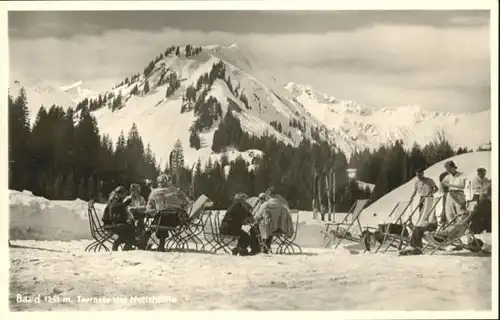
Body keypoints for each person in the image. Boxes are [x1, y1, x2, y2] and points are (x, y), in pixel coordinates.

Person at [145, 174, 192, 252]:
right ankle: (158, 244)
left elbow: (149, 206)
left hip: (162, 220)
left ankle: (150, 243)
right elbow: (184, 203)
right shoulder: (174, 191)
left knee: (158, 220)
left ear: (158, 183)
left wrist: (150, 212)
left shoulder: (154, 192)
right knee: (162, 218)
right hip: (175, 220)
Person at [254, 187, 294, 253]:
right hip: (281, 229)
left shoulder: (266, 205)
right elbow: (288, 217)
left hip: (268, 229)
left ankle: (262, 246)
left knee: (258, 227)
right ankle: (266, 245)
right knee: (271, 225)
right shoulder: (283, 205)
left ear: (269, 195)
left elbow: (257, 216)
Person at [102, 186, 136, 250]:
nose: (125, 195)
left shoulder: (115, 200)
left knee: (129, 226)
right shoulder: (114, 201)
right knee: (128, 227)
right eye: (124, 194)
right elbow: (115, 209)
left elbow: (119, 211)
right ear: (119, 194)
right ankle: (120, 245)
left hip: (111, 223)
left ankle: (128, 245)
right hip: (110, 224)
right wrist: (126, 203)